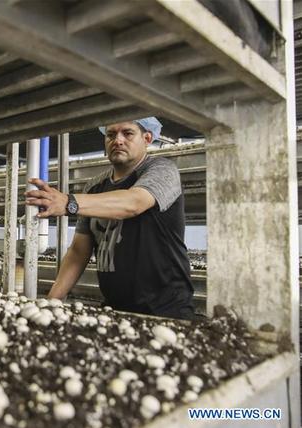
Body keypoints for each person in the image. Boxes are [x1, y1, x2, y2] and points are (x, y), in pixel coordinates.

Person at [24, 117, 195, 320]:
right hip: (115, 310)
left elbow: (134, 203)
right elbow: (79, 252)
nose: (118, 140)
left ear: (147, 138)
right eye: (111, 135)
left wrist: (69, 203)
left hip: (165, 311)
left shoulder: (162, 170)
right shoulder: (95, 186)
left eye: (128, 133)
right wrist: (51, 303)